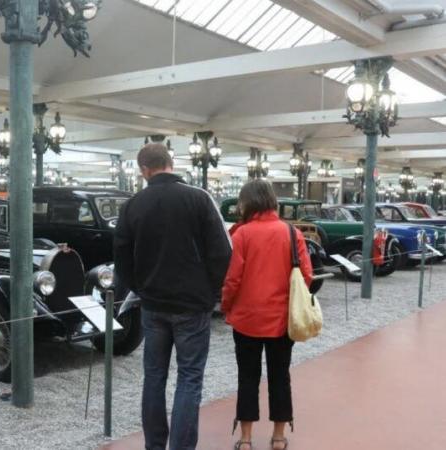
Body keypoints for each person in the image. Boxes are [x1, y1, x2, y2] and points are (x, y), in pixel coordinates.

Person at [114, 143, 232, 450]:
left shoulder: (132, 205)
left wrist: (142, 289)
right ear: (171, 163)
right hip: (192, 305)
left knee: (153, 377)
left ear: (143, 170)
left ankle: (154, 445)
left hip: (152, 305)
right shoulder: (198, 198)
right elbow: (222, 252)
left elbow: (122, 260)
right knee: (189, 379)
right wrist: (209, 292)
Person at [221, 180, 313, 450]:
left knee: (247, 377)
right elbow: (306, 274)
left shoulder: (241, 234)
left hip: (247, 319)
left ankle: (246, 439)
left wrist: (227, 306)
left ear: (247, 202)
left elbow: (233, 280)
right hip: (282, 320)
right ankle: (279, 437)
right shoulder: (290, 232)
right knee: (280, 375)